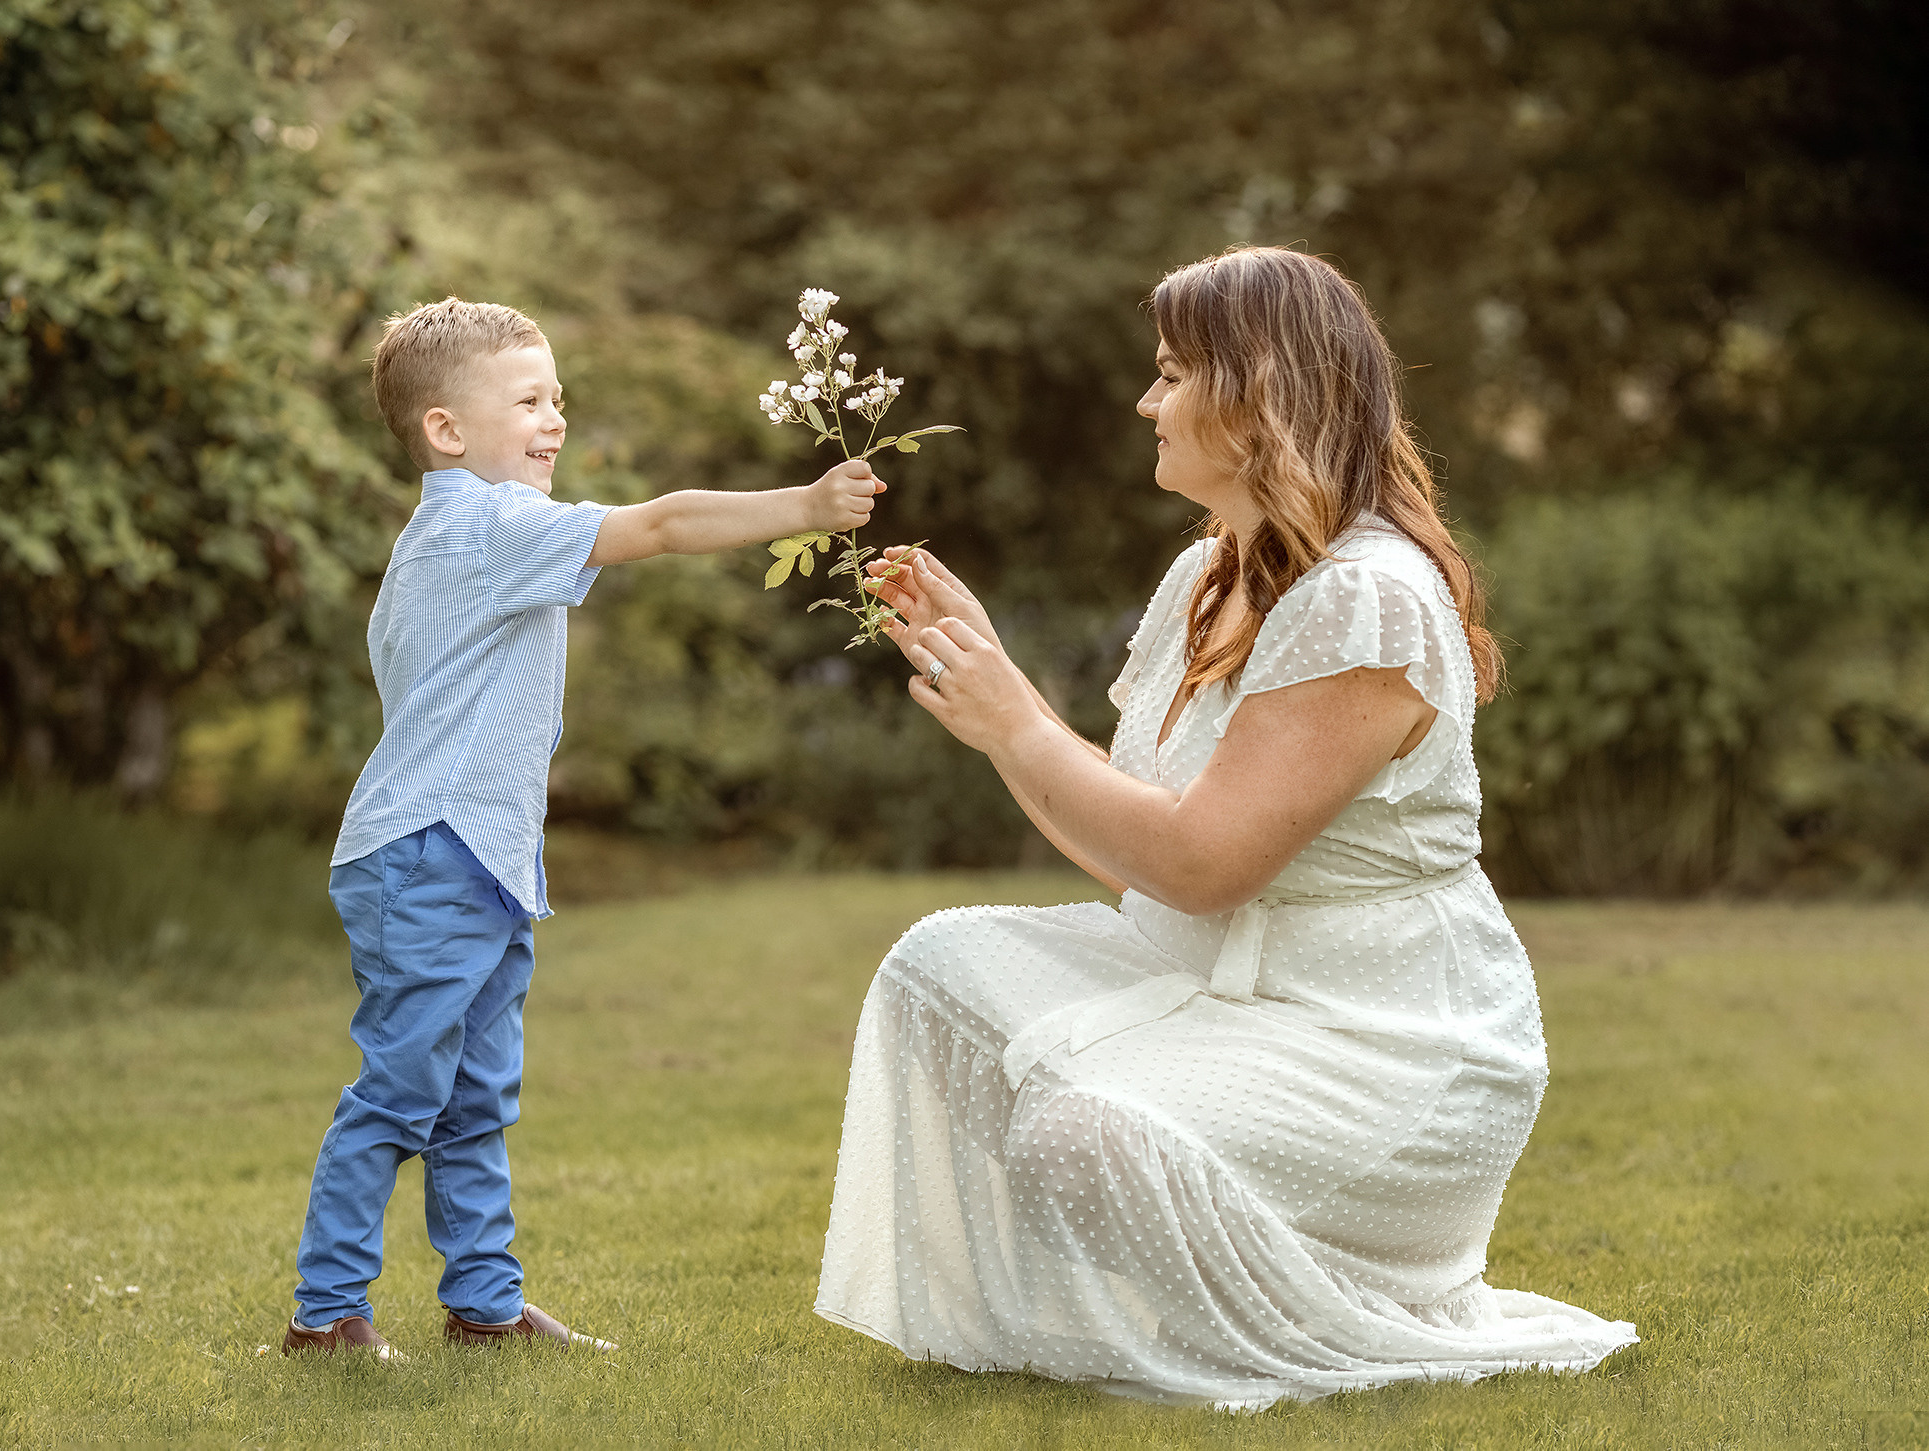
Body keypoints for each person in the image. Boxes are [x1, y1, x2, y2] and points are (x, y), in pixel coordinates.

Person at [816, 247, 1638, 1406]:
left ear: (1256, 395)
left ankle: (1311, 1289)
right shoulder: (1212, 568)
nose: (1147, 403)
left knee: (1079, 1139)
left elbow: (1203, 864)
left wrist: (1018, 723)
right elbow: (1137, 841)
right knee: (936, 968)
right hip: (1214, 977)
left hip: (1383, 1043)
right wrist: (998, 689)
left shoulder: (1368, 595)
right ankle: (1168, 1277)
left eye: (1167, 375)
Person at [285, 298, 883, 1357]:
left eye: (558, 396)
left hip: (473, 859)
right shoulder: (485, 525)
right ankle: (326, 1314)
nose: (556, 418)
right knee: (401, 1093)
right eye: (529, 400)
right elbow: (659, 524)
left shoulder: (443, 541)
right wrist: (805, 502)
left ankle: (486, 1306)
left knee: (473, 1098)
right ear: (446, 431)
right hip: (430, 853)